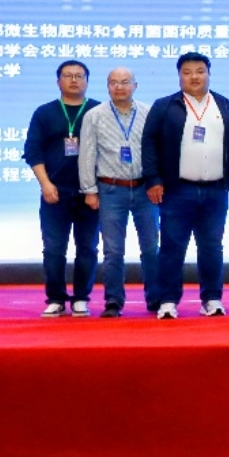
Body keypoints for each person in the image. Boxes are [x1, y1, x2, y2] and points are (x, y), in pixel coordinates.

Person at [141, 52, 229, 320]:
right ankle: (168, 300)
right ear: (179, 76)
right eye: (187, 72)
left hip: (215, 190)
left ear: (209, 73)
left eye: (199, 71)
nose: (194, 77)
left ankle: (212, 299)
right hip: (177, 190)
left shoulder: (225, 106)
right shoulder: (165, 106)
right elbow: (149, 144)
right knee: (172, 247)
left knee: (212, 247)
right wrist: (153, 180)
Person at [78, 67, 158, 318]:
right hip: (111, 189)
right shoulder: (94, 115)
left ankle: (156, 298)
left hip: (145, 189)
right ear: (107, 86)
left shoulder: (149, 113)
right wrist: (90, 190)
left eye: (125, 82)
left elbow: (158, 150)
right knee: (113, 251)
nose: (119, 87)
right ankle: (113, 301)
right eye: (114, 82)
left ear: (135, 85)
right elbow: (87, 155)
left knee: (151, 248)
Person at [24, 60, 101, 317]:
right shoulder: (45, 113)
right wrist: (46, 184)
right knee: (54, 249)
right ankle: (56, 298)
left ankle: (81, 298)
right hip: (55, 192)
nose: (74, 80)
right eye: (68, 76)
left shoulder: (98, 111)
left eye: (79, 76)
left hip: (90, 193)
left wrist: (96, 189)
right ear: (58, 81)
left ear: (87, 81)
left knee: (88, 248)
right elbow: (32, 151)